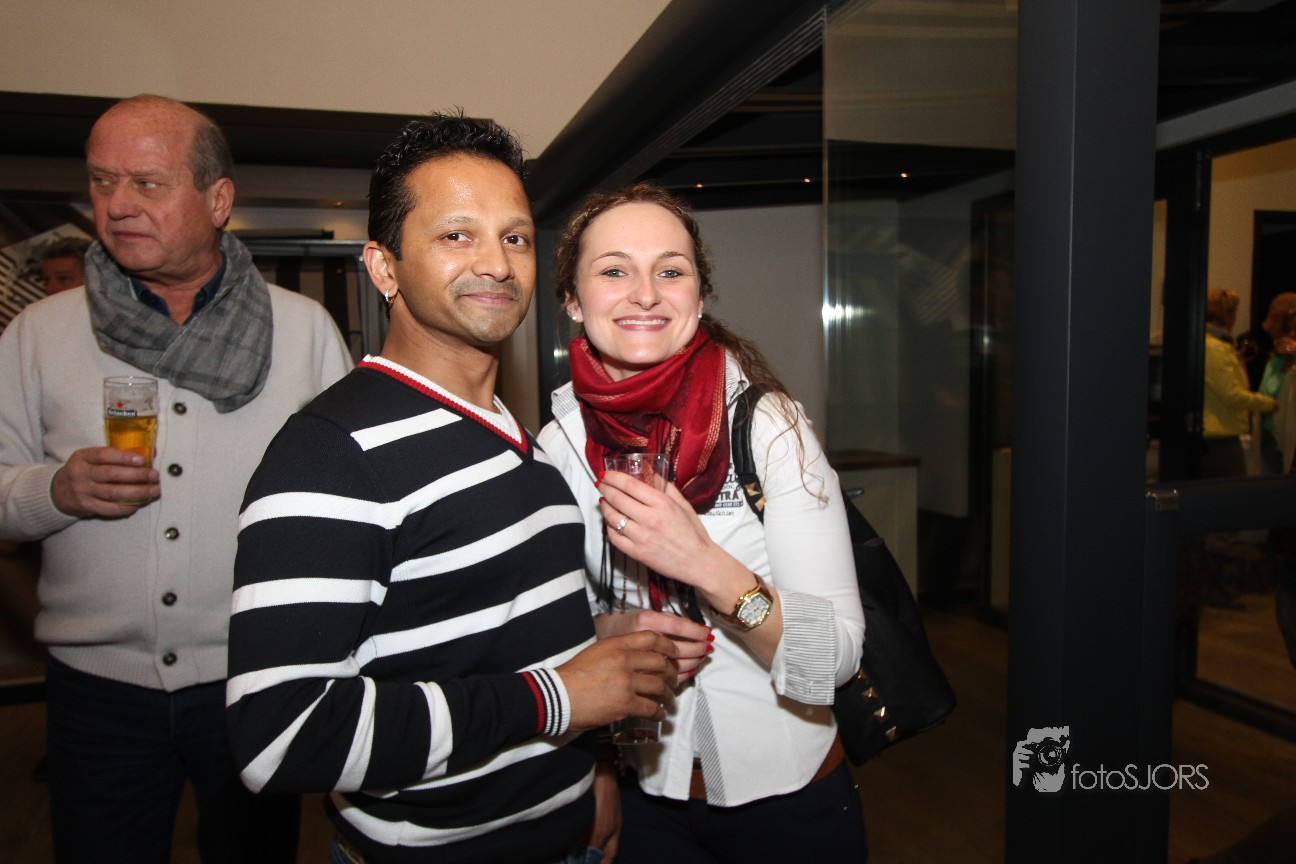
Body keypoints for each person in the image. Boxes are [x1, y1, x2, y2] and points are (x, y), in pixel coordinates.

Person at [225, 114, 684, 864]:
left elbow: (478, 644)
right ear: (384, 268)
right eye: (456, 235)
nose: (497, 264)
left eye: (515, 237)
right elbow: (279, 738)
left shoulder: (520, 442)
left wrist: (593, 744)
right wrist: (560, 695)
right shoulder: (331, 456)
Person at [0, 94, 353, 862]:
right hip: (94, 692)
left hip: (255, 679)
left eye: (147, 184)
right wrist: (53, 491)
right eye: (102, 182)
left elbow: (353, 506)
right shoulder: (38, 335)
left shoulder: (303, 332)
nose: (118, 204)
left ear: (217, 200)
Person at [537, 182, 869, 863]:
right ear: (571, 298)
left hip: (790, 804)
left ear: (699, 294)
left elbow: (834, 661)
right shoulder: (559, 442)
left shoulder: (769, 427)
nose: (646, 294)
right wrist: (609, 639)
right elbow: (552, 628)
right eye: (614, 271)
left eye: (670, 271)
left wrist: (706, 566)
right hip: (647, 799)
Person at [1202, 288, 1276, 477]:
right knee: (1231, 489)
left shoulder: (1211, 344)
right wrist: (1268, 403)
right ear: (1226, 315)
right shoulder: (1217, 348)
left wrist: (1239, 362)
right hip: (1220, 436)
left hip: (1214, 433)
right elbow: (1231, 394)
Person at [1255, 292, 1296, 474]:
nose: (1291, 335)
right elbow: (1265, 392)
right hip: (1269, 436)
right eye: (1287, 329)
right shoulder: (1275, 360)